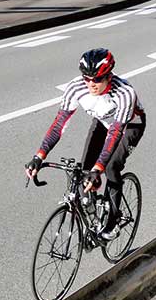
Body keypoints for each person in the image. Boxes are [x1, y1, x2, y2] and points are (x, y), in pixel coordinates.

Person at [25, 48, 146, 241]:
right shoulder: (76, 88)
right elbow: (59, 124)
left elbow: (115, 133)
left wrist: (99, 168)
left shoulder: (124, 93)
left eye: (97, 79)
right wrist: (39, 156)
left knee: (111, 166)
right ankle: (94, 217)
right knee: (84, 172)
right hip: (102, 122)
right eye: (87, 78)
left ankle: (114, 220)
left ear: (108, 76)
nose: (91, 84)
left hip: (129, 126)